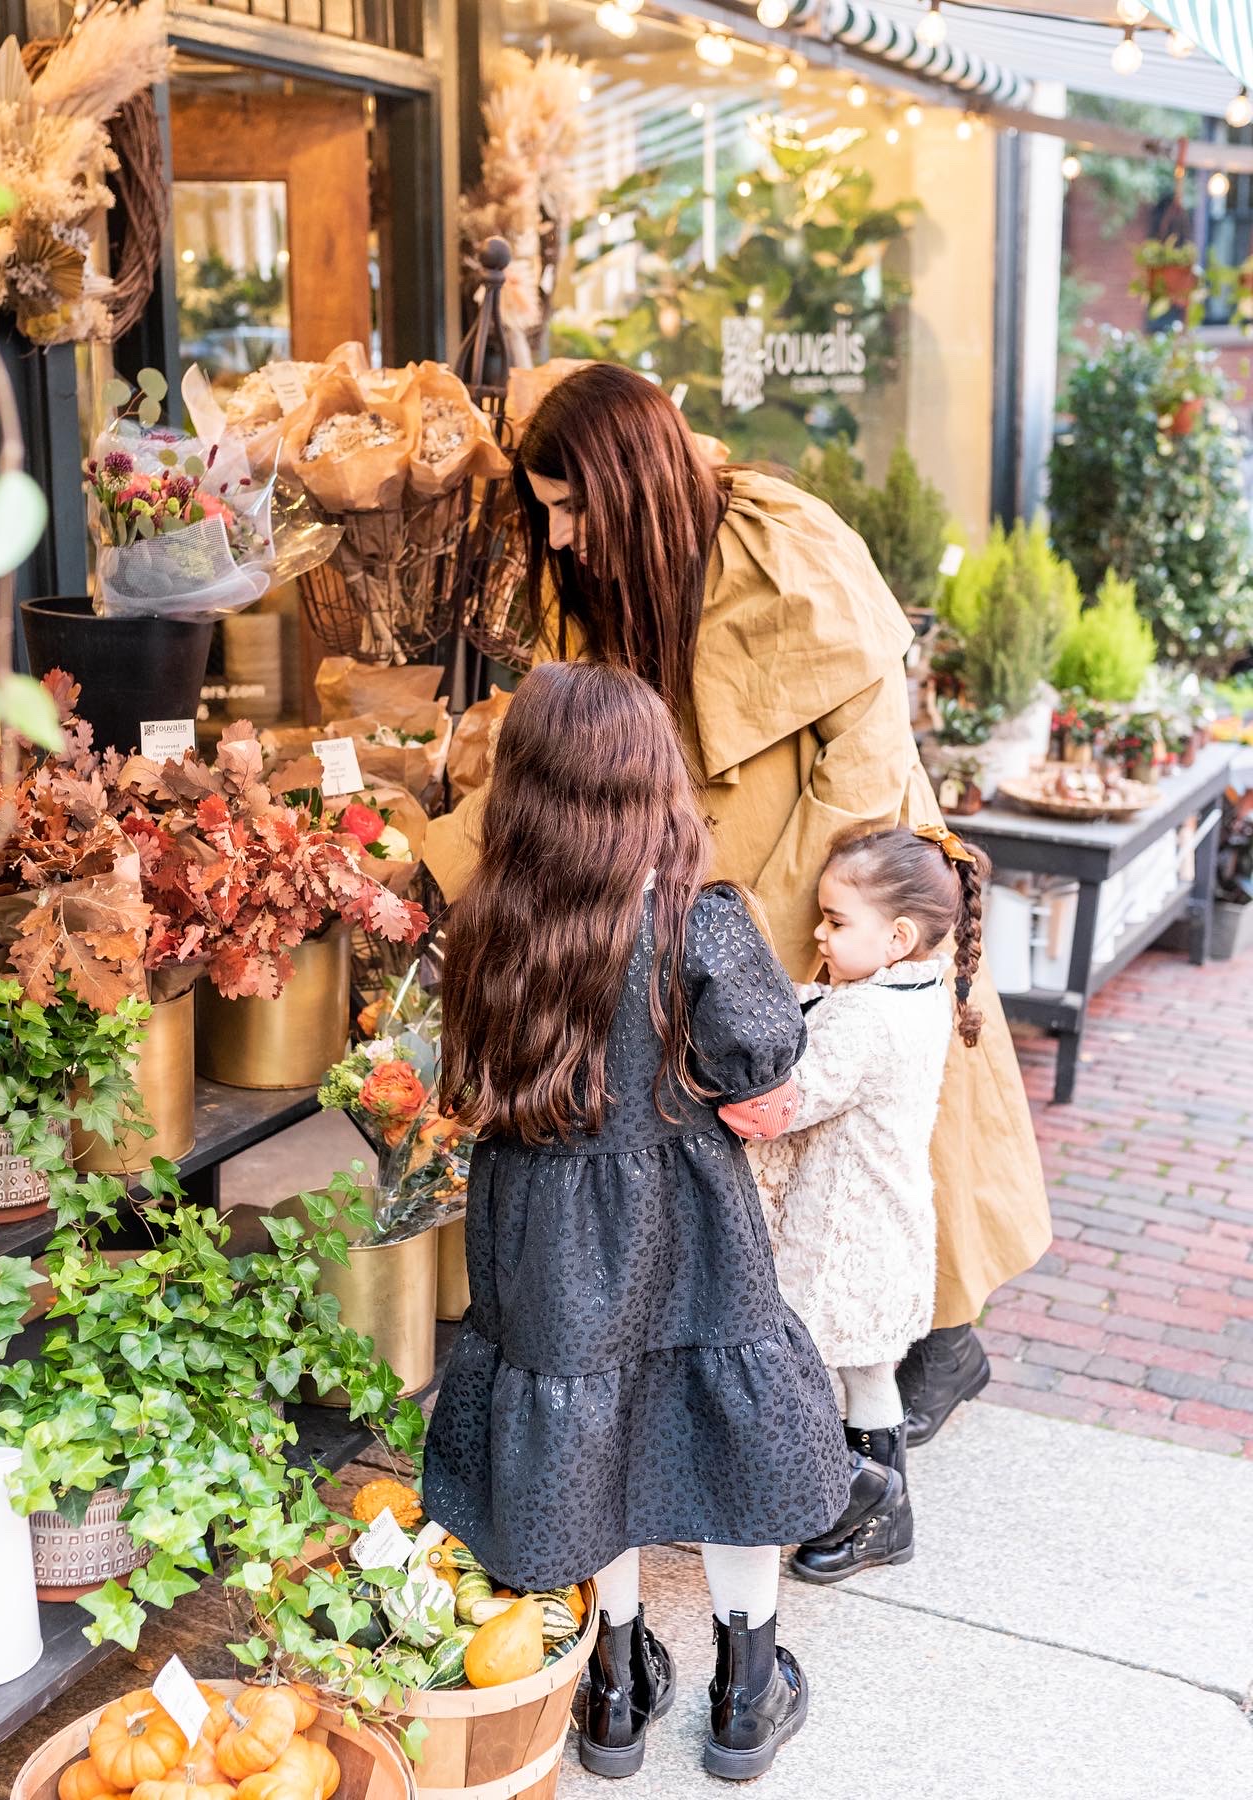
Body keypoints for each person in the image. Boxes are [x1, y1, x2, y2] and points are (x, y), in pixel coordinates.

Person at [424, 362, 1050, 1443]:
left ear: (629, 485)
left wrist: (787, 951)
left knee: (885, 1145)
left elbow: (861, 777)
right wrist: (440, 861)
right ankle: (786, 1373)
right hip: (709, 886)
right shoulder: (609, 585)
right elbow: (567, 753)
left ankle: (929, 1350)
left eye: (573, 508)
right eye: (549, 512)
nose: (562, 539)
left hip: (841, 891)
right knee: (767, 1156)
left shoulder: (786, 542)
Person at [423, 661, 853, 1782]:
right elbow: (762, 1058)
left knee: (583, 1442)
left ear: (524, 788)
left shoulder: (492, 920)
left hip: (542, 1222)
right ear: (652, 781)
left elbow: (464, 1075)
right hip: (684, 1214)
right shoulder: (694, 920)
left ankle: (613, 1693)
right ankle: (745, 1699)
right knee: (728, 1436)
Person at [749, 822, 992, 1585]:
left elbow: (798, 1096)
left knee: (797, 1370)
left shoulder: (865, 1018)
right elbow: (820, 1007)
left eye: (834, 921)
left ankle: (860, 1494)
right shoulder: (914, 993)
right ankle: (884, 1519)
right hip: (889, 1229)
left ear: (897, 936)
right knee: (869, 1378)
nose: (818, 933)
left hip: (842, 1240)